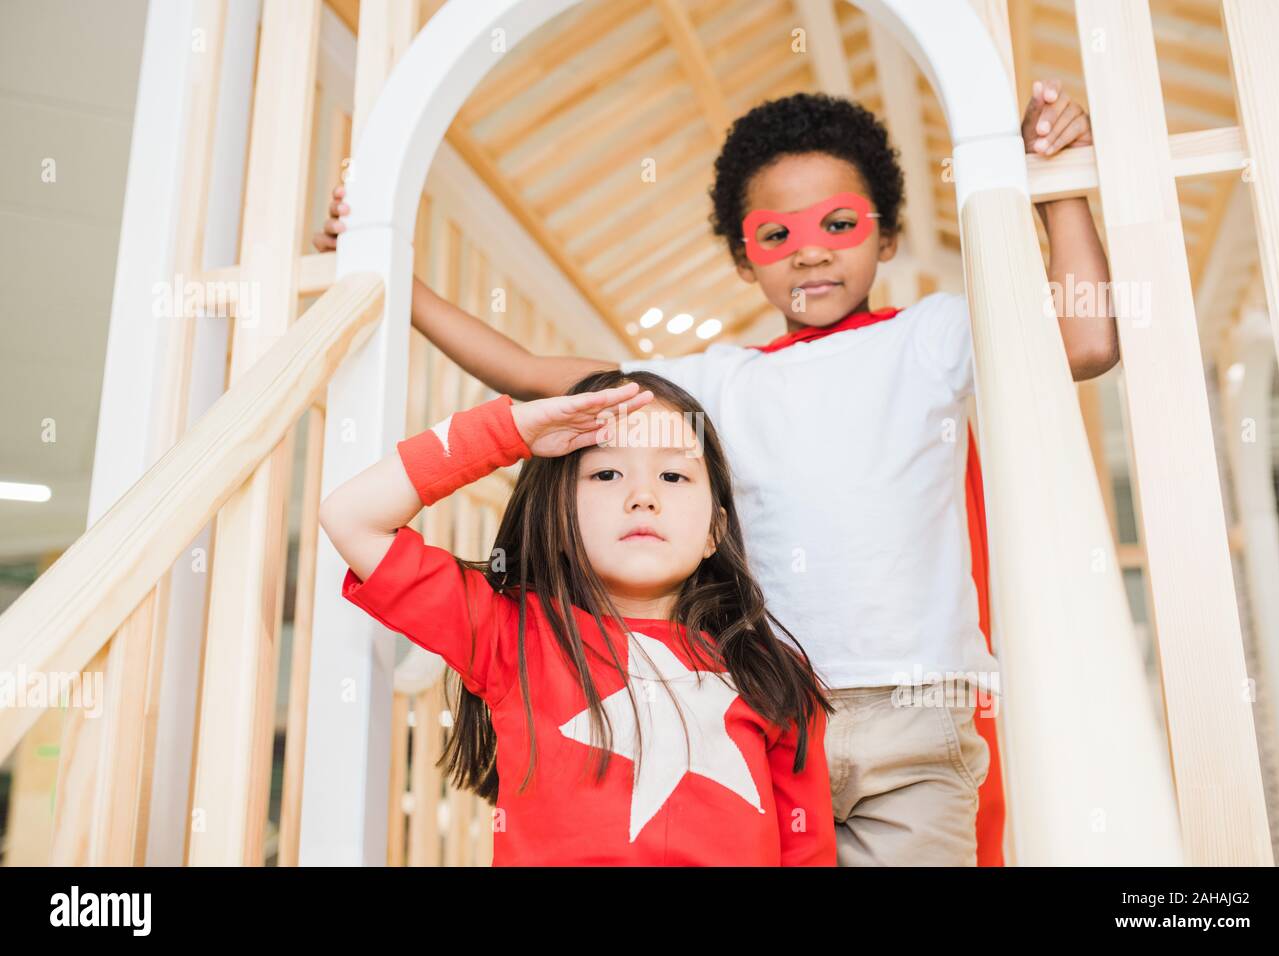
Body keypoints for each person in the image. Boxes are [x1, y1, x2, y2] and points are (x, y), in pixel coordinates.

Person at [316, 80, 1116, 866]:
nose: (809, 249)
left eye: (839, 225)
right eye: (776, 236)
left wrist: (1057, 187)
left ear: (889, 235)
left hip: (914, 715)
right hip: (758, 703)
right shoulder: (717, 382)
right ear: (744, 258)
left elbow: (1084, 343)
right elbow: (531, 372)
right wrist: (394, 281)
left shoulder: (931, 336)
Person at [319, 370, 838, 865]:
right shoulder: (508, 636)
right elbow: (353, 517)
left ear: (714, 532)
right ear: (557, 520)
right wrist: (513, 432)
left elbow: (807, 850)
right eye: (606, 473)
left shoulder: (770, 672)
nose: (643, 497)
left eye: (674, 474)